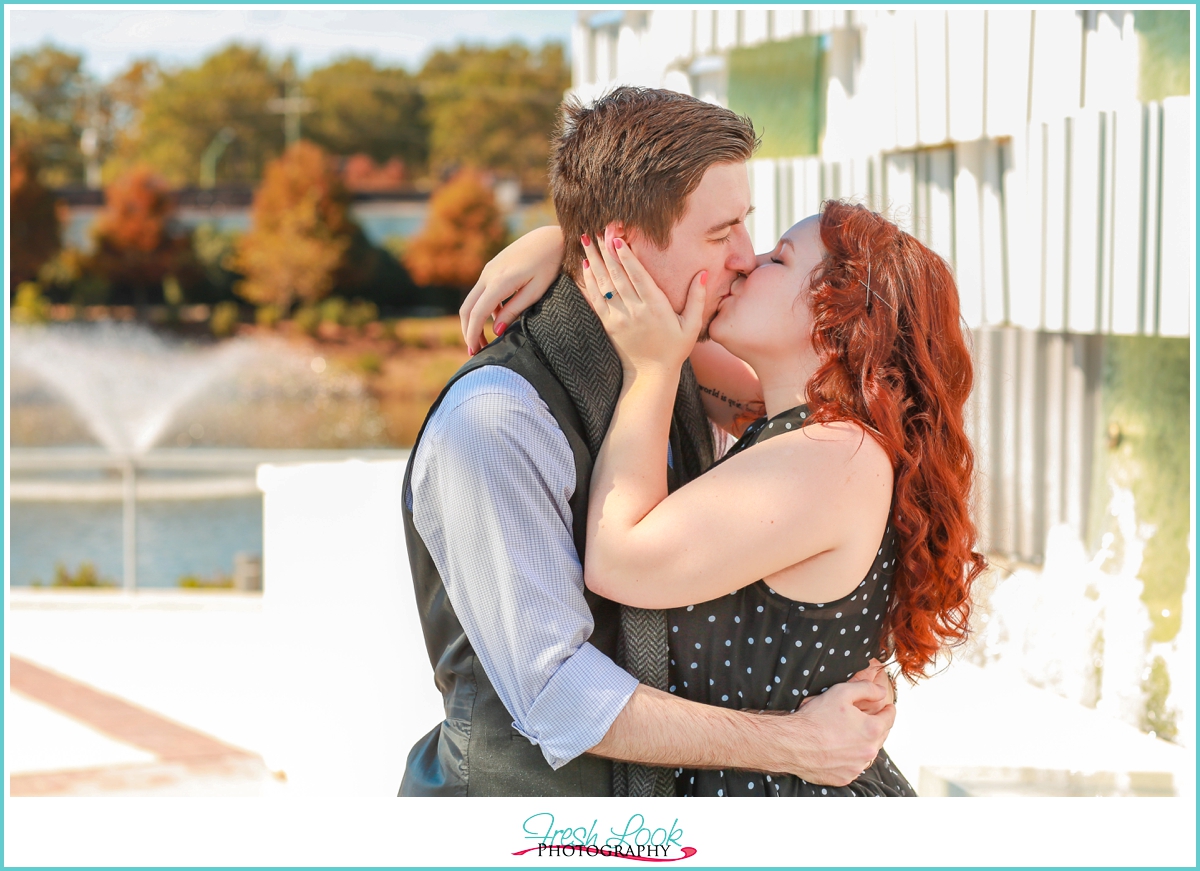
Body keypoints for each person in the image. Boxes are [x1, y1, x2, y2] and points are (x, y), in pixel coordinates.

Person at [400, 86, 895, 798]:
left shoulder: (670, 353)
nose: (747, 259)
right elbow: (559, 696)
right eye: (722, 232)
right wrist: (799, 742)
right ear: (624, 246)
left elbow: (796, 408)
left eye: (746, 228)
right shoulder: (496, 421)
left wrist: (560, 243)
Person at [468, 201, 986, 796]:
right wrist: (565, 248)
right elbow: (656, 314)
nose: (746, 263)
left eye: (779, 258)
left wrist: (651, 369)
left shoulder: (833, 458)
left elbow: (619, 562)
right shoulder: (796, 422)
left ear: (836, 314)